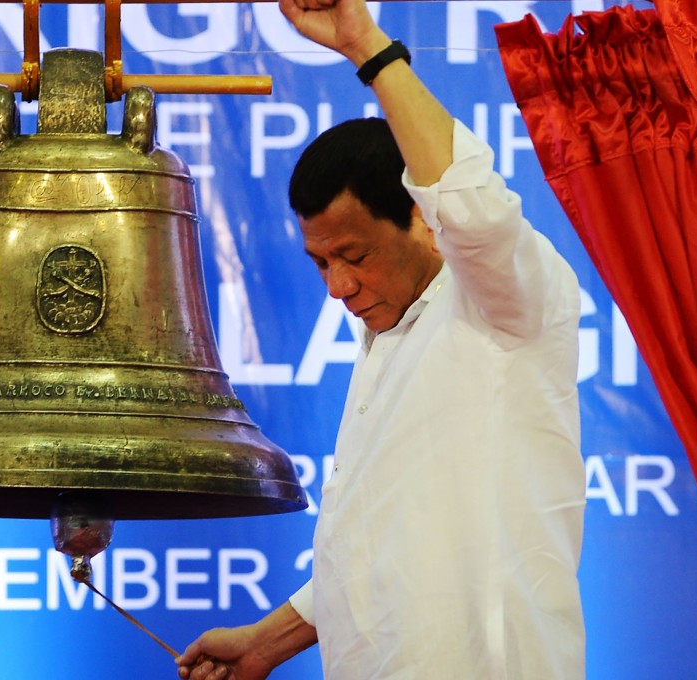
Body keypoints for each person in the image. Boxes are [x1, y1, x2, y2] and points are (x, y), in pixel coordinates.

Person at [176, 0, 587, 678]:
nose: (336, 286)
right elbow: (380, 549)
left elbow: (473, 207)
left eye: (354, 255)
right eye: (321, 263)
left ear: (423, 218)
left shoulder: (505, 303)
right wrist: (266, 642)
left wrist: (367, 45)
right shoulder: (389, 339)